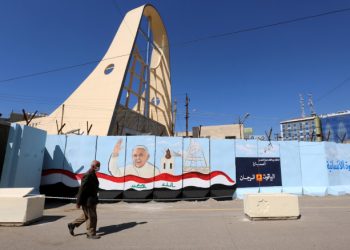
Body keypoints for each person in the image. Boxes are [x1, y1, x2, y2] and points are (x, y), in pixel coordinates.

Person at [68, 160, 100, 239]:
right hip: (87, 201)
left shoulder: (92, 174)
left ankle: (72, 224)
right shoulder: (88, 175)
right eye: (98, 166)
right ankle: (90, 234)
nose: (99, 168)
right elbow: (81, 189)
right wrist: (78, 202)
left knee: (86, 215)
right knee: (92, 217)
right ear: (93, 166)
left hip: (91, 200)